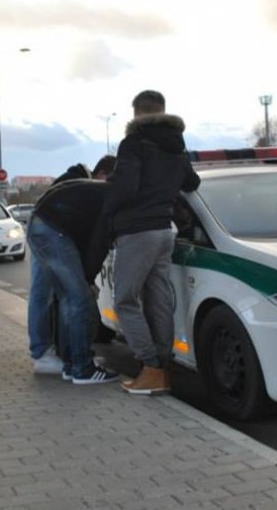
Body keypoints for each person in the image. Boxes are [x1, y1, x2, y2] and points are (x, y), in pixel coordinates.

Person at [103, 90, 200, 395]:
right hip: (165, 229)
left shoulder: (134, 143)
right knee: (159, 300)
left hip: (137, 230)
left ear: (136, 113)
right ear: (162, 110)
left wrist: (110, 207)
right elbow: (192, 182)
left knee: (125, 300)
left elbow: (126, 187)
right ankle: (163, 366)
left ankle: (150, 367)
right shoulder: (176, 145)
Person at [26, 158, 118, 384]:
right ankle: (81, 367)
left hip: (43, 227)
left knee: (68, 297)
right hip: (53, 232)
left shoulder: (88, 188)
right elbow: (96, 244)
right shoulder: (109, 198)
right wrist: (87, 280)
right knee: (79, 299)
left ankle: (71, 362)